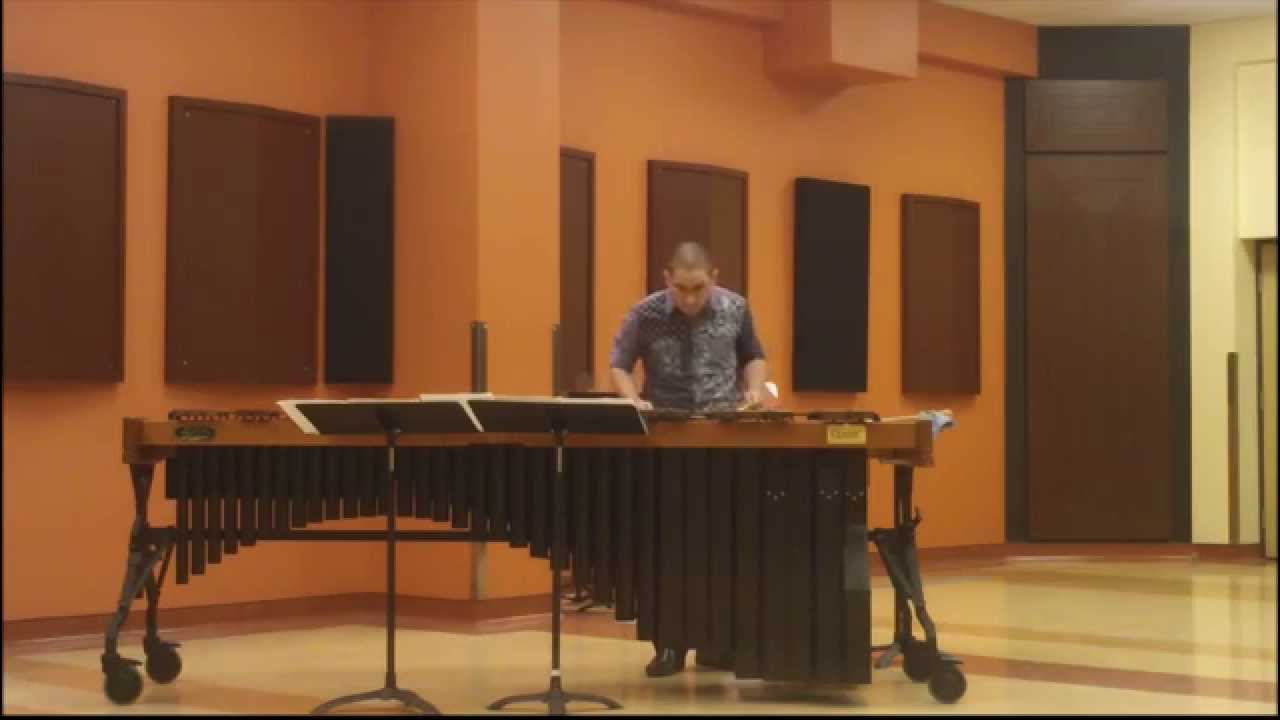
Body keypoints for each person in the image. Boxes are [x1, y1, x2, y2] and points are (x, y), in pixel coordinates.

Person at [609, 241, 770, 677]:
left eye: (699, 288)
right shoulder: (645, 314)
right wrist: (631, 398)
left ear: (714, 277)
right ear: (667, 279)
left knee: (722, 544)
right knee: (668, 546)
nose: (691, 298)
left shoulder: (736, 308)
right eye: (681, 288)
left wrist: (755, 388)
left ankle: (718, 642)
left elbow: (754, 355)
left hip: (724, 439)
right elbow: (620, 363)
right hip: (667, 441)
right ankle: (669, 645)